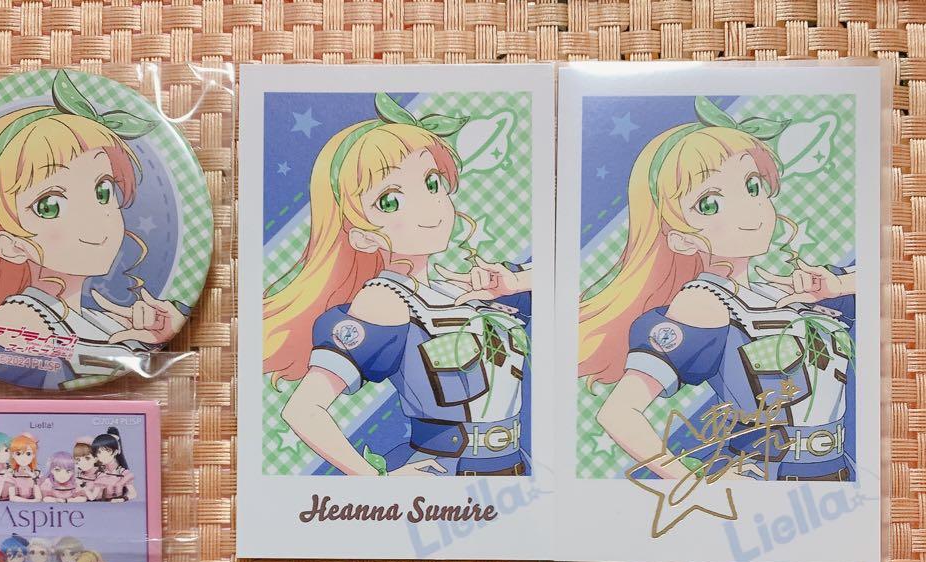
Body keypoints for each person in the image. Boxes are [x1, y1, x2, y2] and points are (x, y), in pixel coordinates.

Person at [579, 96, 856, 482]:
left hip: (836, 473)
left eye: (752, 186)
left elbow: (889, 286)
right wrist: (692, 484)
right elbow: (618, 413)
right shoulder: (704, 303)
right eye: (709, 204)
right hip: (767, 479)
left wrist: (837, 285)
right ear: (681, 239)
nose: (748, 209)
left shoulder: (785, 293)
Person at [263, 92, 532, 477]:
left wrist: (515, 281)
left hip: (513, 467)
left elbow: (569, 287)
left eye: (432, 183)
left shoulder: (469, 289)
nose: (428, 206)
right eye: (390, 201)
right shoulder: (385, 301)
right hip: (447, 476)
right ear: (362, 237)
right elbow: (303, 409)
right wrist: (377, 483)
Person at [0, 70, 185, 390]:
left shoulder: (101, 320)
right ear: (11, 245)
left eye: (103, 191)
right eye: (49, 205)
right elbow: (61, 374)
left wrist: (157, 336)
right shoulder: (20, 319)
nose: (94, 218)